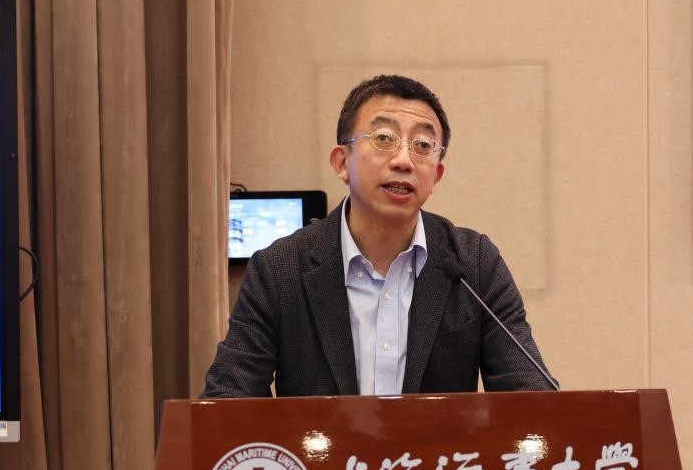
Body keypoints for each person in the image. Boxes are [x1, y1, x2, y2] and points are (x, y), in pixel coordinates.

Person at [201, 74, 555, 397]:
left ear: (436, 175)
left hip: (436, 452)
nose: (404, 160)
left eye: (423, 145)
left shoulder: (472, 263)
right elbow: (228, 400)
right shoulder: (280, 269)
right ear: (342, 162)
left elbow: (531, 395)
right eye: (384, 138)